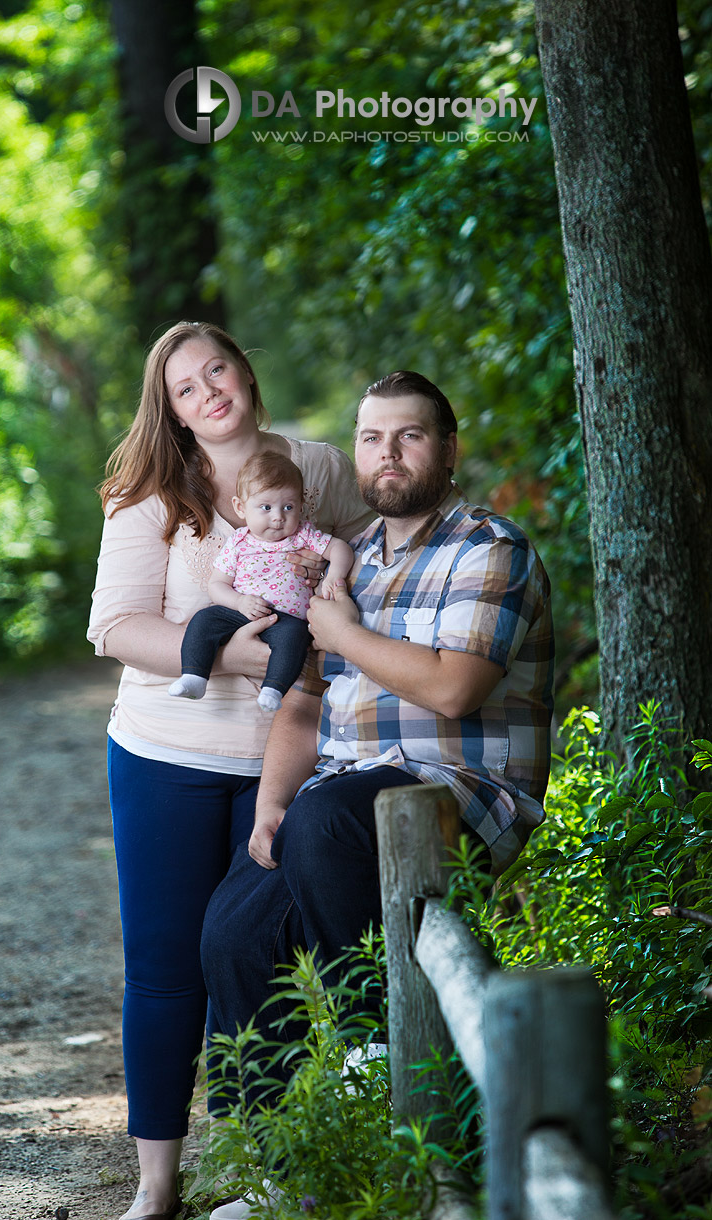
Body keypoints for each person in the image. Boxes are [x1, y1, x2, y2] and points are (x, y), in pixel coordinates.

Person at [200, 370, 555, 1220]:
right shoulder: (351, 562)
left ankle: (374, 1062)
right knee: (232, 924)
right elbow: (306, 702)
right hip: (341, 800)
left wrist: (348, 633)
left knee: (328, 822)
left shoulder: (488, 547)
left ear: (447, 449)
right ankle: (280, 1168)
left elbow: (456, 689)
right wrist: (269, 807)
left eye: (408, 435)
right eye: (370, 437)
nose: (386, 453)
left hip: (462, 795)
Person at [86, 321, 372, 1220]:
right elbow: (115, 627)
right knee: (167, 968)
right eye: (185, 387)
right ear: (169, 411)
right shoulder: (151, 495)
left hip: (276, 759)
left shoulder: (317, 468)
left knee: (249, 955)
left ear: (247, 373)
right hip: (160, 756)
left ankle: (260, 1171)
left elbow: (382, 550)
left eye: (219, 370)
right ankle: (156, 1186)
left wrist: (346, 624)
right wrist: (240, 658)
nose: (209, 391)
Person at [168, 450, 353, 712]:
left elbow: (341, 549)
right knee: (204, 620)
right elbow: (216, 585)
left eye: (288, 507)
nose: (278, 517)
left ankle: (273, 689)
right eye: (266, 507)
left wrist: (333, 576)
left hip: (286, 619)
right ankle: (194, 676)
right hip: (242, 611)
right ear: (240, 507)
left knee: (295, 638)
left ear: (301, 506)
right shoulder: (239, 542)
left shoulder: (303, 535)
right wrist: (239, 601)